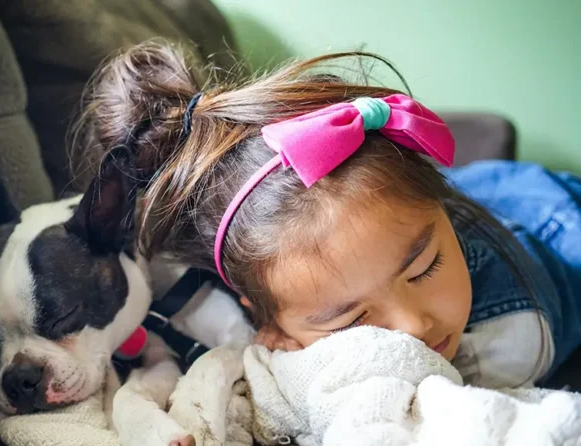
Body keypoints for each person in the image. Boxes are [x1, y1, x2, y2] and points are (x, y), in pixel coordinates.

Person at [76, 41, 581, 389]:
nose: (412, 326)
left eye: (425, 267)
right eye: (352, 318)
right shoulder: (264, 267)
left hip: (547, 213)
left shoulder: (514, 340)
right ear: (265, 319)